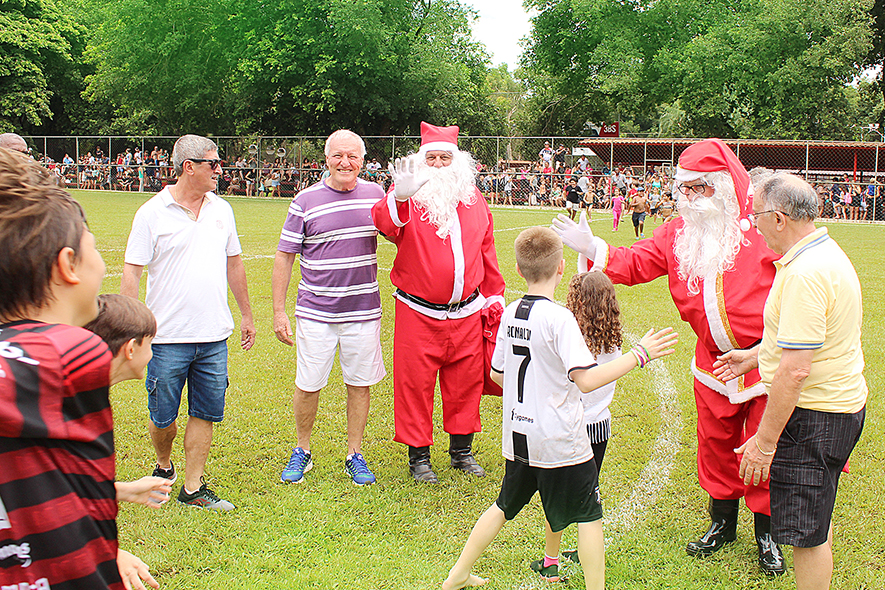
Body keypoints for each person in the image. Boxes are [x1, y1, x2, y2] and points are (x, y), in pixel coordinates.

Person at [553, 138, 786, 575]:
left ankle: (767, 533)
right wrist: (592, 247)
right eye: (686, 190)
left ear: (723, 185)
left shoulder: (763, 228)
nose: (692, 199)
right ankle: (722, 523)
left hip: (763, 360)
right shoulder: (679, 231)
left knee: (759, 446)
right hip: (713, 361)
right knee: (716, 444)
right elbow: (636, 262)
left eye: (701, 189)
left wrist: (766, 351)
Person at [440, 227, 677, 590]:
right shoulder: (560, 318)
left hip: (518, 433)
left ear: (518, 270)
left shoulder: (511, 312)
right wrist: (639, 355)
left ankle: (456, 575)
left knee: (503, 506)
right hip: (559, 439)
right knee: (590, 515)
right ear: (562, 267)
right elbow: (585, 380)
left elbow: (497, 374)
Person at [0, 148, 157, 590]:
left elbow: (48, 486)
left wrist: (110, 539)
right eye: (92, 248)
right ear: (69, 265)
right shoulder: (72, 348)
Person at [714, 174, 866, 590]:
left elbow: (796, 369)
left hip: (816, 416)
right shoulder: (822, 254)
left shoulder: (805, 273)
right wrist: (753, 356)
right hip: (838, 408)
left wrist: (764, 443)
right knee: (816, 518)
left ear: (779, 218)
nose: (754, 224)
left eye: (758, 214)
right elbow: (805, 340)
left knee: (807, 537)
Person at [121, 134, 256, 511]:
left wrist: (246, 314)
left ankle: (192, 487)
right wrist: (133, 326)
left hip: (213, 335)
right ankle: (164, 466)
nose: (220, 170)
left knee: (205, 412)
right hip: (165, 338)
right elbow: (133, 270)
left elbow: (234, 263)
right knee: (162, 417)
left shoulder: (221, 209)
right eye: (213, 164)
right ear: (189, 167)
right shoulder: (151, 212)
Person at [372, 122, 506, 483]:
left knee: (465, 383)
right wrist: (398, 197)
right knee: (414, 384)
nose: (438, 164)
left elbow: (486, 249)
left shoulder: (474, 199)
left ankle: (462, 451)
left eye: (445, 157)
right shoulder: (409, 196)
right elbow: (386, 226)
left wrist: (495, 296)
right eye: (430, 157)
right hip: (418, 311)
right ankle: (419, 457)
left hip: (467, 311)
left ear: (458, 161)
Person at [272, 130, 385, 486]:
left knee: (360, 383)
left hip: (363, 311)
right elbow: (285, 256)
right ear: (326, 159)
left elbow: (402, 234)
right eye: (338, 155)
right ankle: (302, 450)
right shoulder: (305, 201)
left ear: (363, 161)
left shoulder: (376, 196)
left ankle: (355, 454)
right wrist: (278, 310)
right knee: (308, 384)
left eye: (352, 156)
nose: (345, 163)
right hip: (316, 312)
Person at [529, 270, 625, 583]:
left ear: (575, 302)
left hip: (571, 427)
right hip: (600, 428)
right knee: (588, 497)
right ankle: (581, 554)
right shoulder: (613, 342)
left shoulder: (570, 339)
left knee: (556, 498)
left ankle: (550, 561)